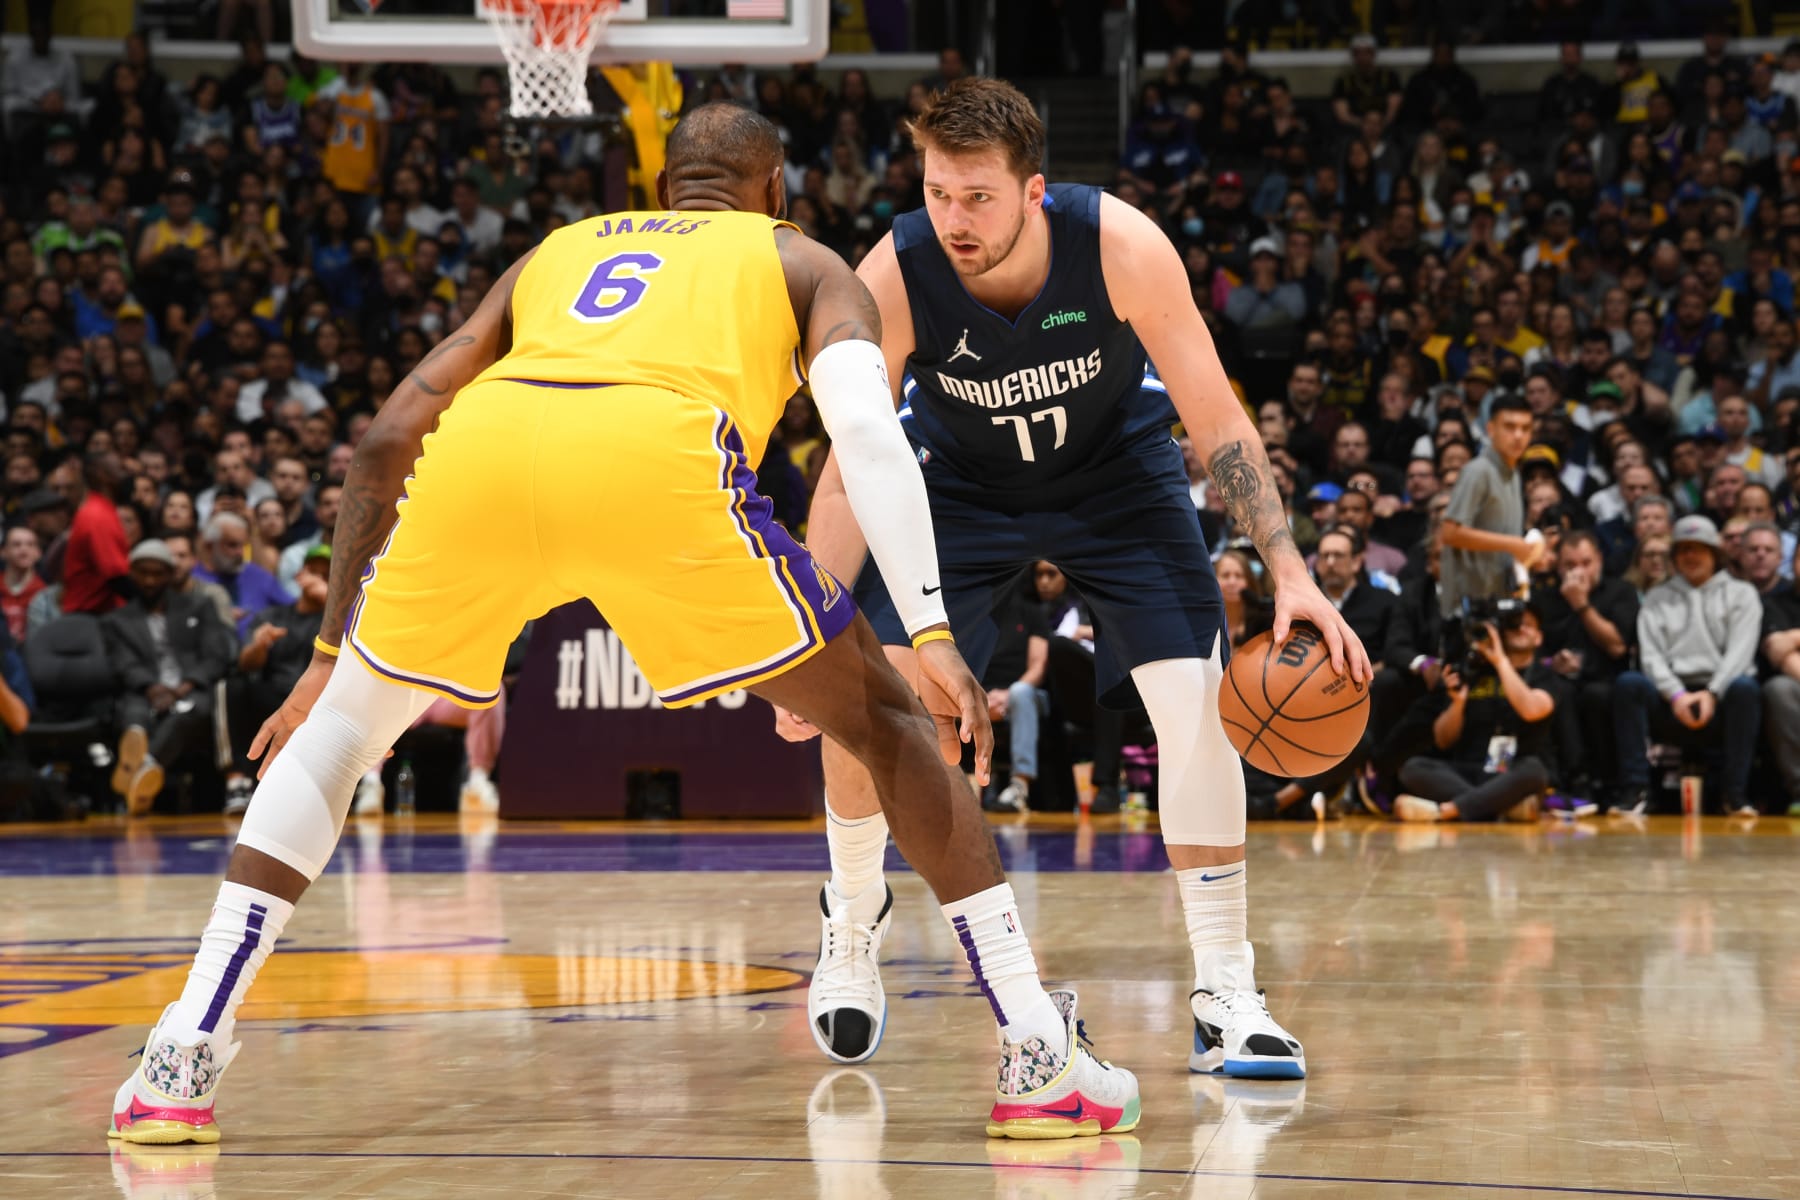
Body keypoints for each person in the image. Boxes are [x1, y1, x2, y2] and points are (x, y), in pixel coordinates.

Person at [109, 103, 1139, 1148]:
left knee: (340, 739)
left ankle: (177, 1061)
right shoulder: (802, 260)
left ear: (662, 194)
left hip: (483, 457)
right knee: (886, 725)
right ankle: (1037, 1057)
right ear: (775, 191)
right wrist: (929, 633)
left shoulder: (558, 253)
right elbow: (868, 434)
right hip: (657, 459)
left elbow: (383, 439)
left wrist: (328, 658)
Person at [777, 79, 1371, 1082]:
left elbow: (1218, 417)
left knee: (1195, 696)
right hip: (957, 483)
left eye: (978, 199)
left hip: (1115, 475)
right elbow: (847, 464)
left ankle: (1228, 987)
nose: (953, 221)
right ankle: (849, 922)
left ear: (1034, 191)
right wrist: (809, 629)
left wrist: (1290, 572)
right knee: (866, 689)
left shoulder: (1124, 248)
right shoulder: (893, 273)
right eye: (937, 194)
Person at [1610, 516, 1764, 818]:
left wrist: (1712, 693)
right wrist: (1677, 695)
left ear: (1714, 554)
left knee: (1746, 689)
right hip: (1671, 699)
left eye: (1698, 549)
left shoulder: (1742, 594)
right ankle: (1636, 791)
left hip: (1719, 698)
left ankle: (1734, 795)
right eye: (1683, 550)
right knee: (1629, 683)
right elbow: (1651, 656)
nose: (1690, 556)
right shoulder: (1656, 597)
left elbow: (1740, 653)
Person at [100, 539, 237, 816]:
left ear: (169, 573)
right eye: (143, 572)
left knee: (189, 712)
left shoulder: (198, 606)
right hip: (144, 690)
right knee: (133, 713)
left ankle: (142, 767)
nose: (150, 580)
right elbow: (122, 663)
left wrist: (181, 688)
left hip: (191, 689)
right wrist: (152, 688)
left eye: (157, 573)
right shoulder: (117, 619)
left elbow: (216, 656)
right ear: (132, 574)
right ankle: (139, 756)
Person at [1393, 606, 1557, 823]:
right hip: (1469, 769)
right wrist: (1457, 704)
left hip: (1510, 772)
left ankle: (1447, 811)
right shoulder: (1472, 672)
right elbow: (1443, 740)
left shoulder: (1545, 676)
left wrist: (1500, 662)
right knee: (1413, 767)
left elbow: (1531, 710)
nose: (1521, 629)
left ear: (1539, 638)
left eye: (1528, 625)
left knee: (1534, 770)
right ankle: (1502, 807)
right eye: (1515, 625)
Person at [1438, 393, 1542, 615]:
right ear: (1491, 429)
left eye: (1525, 428)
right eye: (1510, 426)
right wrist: (1513, 544)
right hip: (1467, 606)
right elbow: (1449, 532)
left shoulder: (1514, 474)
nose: (1518, 435)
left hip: (1497, 599)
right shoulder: (1478, 471)